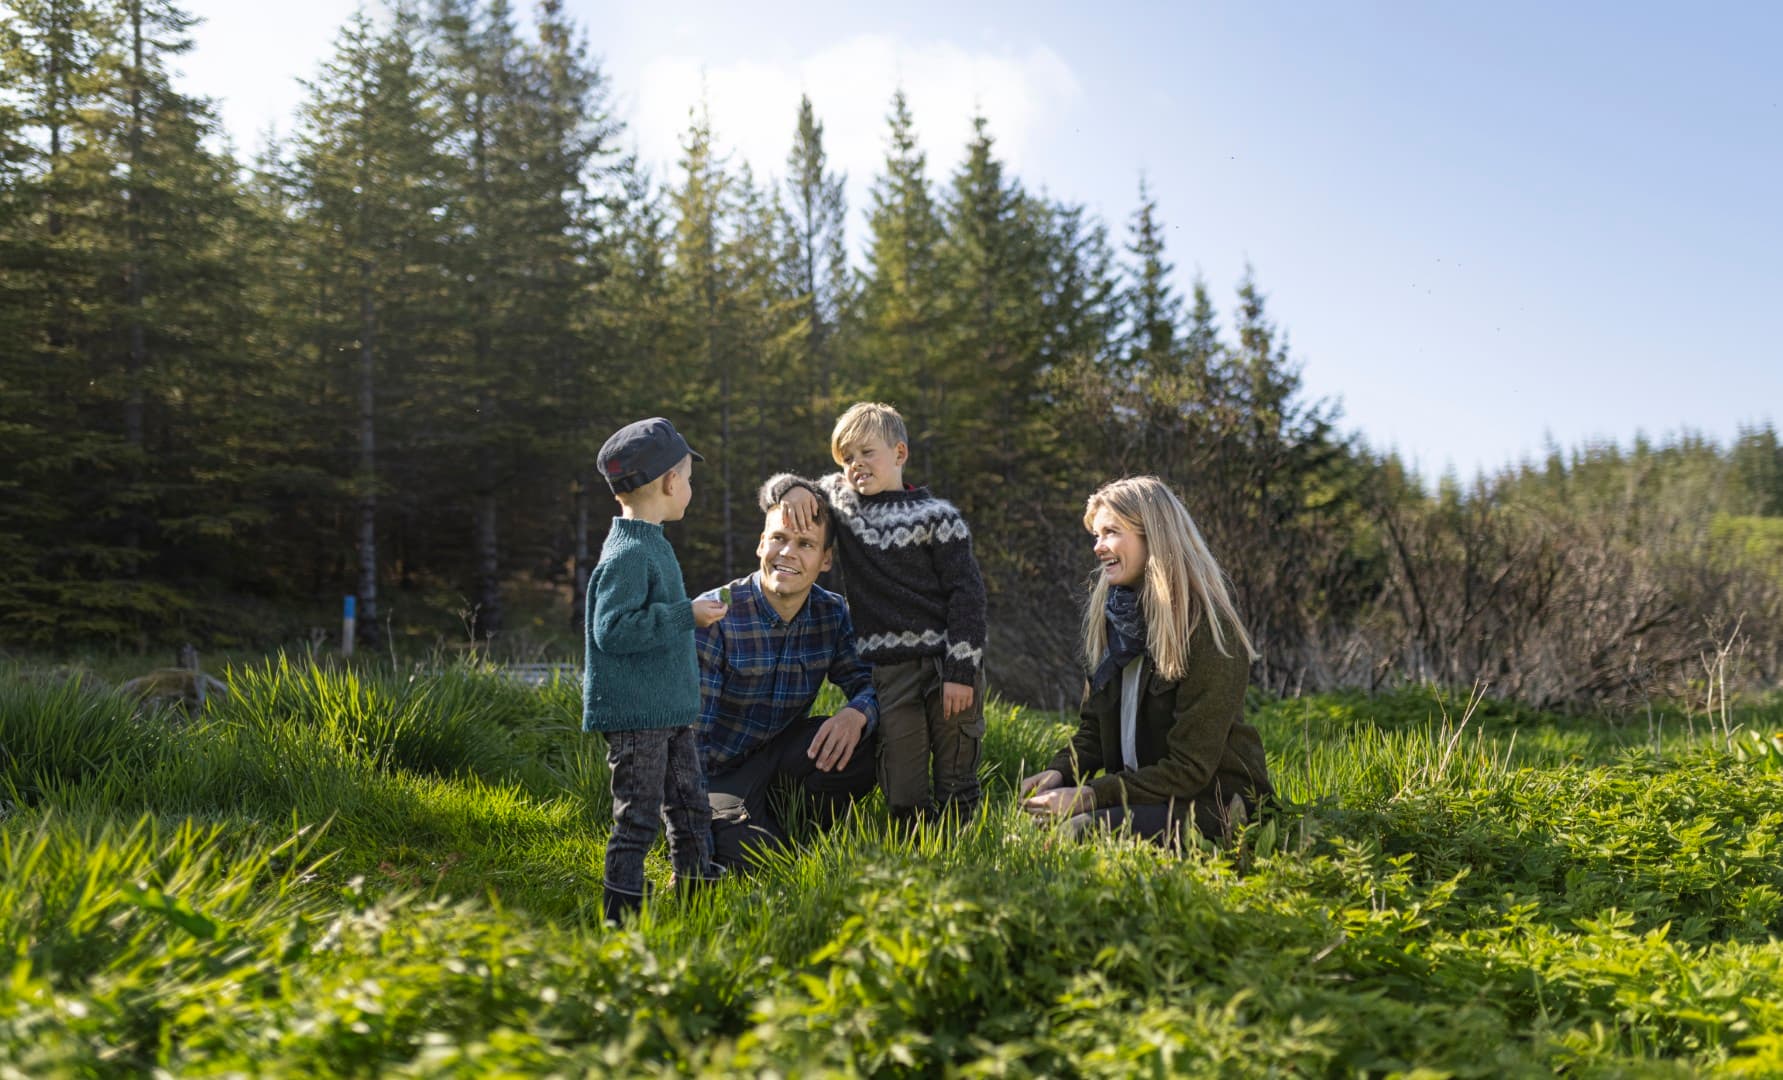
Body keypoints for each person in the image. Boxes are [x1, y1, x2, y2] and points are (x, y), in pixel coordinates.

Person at [764, 401, 989, 822]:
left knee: (956, 773)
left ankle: (964, 856)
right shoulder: (842, 503)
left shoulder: (937, 517)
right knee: (902, 783)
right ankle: (914, 856)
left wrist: (961, 671)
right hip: (890, 671)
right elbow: (782, 489)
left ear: (899, 454)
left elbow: (967, 595)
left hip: (946, 664)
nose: (856, 465)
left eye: (868, 453)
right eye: (847, 458)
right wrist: (789, 490)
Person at [1020, 476, 1273, 847]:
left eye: (1111, 532)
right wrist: (1059, 775)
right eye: (1096, 535)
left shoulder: (1208, 630)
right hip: (1144, 799)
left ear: (1152, 536)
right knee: (1044, 831)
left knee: (1078, 831)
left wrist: (1089, 796)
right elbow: (1092, 731)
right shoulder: (1113, 623)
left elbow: (1189, 770)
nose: (1098, 547)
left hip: (1214, 806)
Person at [583, 417, 728, 924]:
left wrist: (686, 612)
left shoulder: (651, 541)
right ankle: (620, 918)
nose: (689, 488)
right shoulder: (628, 553)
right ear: (670, 483)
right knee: (637, 819)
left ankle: (697, 902)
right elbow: (613, 630)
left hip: (671, 713)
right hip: (638, 718)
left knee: (691, 809)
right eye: (688, 478)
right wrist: (685, 614)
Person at [694, 495, 881, 869]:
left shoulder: (833, 613)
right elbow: (687, 740)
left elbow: (871, 681)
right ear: (761, 544)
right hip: (717, 773)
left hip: (782, 760)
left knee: (872, 737)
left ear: (825, 559)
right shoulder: (715, 617)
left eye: (805, 544)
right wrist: (688, 827)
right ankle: (749, 833)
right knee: (757, 859)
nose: (788, 553)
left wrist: (855, 714)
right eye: (779, 538)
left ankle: (792, 825)